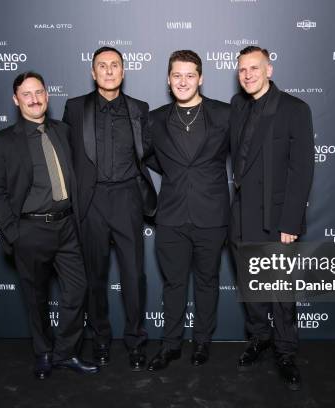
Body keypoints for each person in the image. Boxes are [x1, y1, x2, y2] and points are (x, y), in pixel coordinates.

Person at [0, 71, 98, 379]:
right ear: (16, 100)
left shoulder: (64, 131)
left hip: (67, 228)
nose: (34, 99)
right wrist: (13, 232)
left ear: (48, 95)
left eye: (39, 92)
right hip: (30, 230)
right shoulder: (1, 141)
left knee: (77, 290)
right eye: (27, 94)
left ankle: (65, 353)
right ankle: (44, 354)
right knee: (35, 297)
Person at [62, 47, 157, 371]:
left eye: (114, 65)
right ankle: (100, 339)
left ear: (123, 71)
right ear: (92, 72)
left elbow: (150, 153)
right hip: (91, 203)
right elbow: (64, 156)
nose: (108, 70)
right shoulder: (75, 108)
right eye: (101, 66)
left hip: (128, 199)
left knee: (134, 276)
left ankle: (135, 341)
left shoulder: (139, 109)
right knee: (95, 278)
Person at [229, 46, 314, 390]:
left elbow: (302, 169)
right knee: (251, 287)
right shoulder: (236, 106)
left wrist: (290, 223)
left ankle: (285, 350)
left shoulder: (295, 108)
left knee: (281, 290)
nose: (247, 75)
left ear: (269, 69)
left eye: (254, 68)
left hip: (277, 216)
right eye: (242, 70)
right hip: (242, 213)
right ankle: (259, 339)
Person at [144, 50, 230, 371]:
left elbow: (248, 155)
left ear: (201, 78)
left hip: (212, 215)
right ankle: (170, 345)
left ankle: (202, 342)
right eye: (177, 75)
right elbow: (145, 158)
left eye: (189, 75)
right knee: (174, 284)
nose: (183, 81)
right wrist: (172, 171)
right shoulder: (154, 119)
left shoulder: (224, 114)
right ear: (168, 79)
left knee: (207, 281)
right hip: (171, 216)